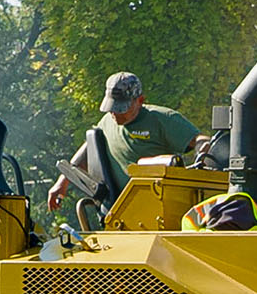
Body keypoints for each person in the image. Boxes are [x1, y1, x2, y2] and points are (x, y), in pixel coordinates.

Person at [47, 72, 200, 210]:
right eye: (112, 107)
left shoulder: (162, 119)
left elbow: (200, 141)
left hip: (161, 207)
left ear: (140, 100)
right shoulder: (106, 122)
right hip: (120, 211)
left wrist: (205, 151)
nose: (115, 113)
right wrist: (62, 181)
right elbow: (90, 147)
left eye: (122, 108)